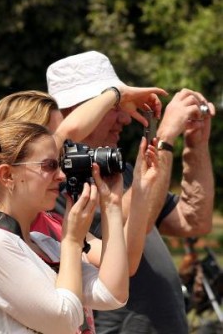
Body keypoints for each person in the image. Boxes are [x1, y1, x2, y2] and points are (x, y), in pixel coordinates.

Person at [46, 50, 215, 334]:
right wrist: (163, 139)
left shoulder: (116, 168)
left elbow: (192, 220)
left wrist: (196, 145)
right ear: (75, 111)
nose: (126, 118)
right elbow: (122, 228)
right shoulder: (55, 179)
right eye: (114, 107)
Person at [0, 118, 137, 333]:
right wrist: (72, 241)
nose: (61, 176)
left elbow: (112, 294)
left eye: (60, 165)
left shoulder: (43, 242)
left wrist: (112, 206)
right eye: (49, 166)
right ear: (7, 175)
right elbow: (63, 320)